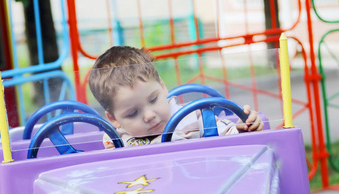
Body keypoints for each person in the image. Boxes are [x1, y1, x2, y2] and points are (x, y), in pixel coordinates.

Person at [88, 46, 264, 149]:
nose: (149, 115)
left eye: (152, 100)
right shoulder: (116, 140)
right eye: (133, 112)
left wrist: (245, 128)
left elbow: (232, 138)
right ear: (113, 119)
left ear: (163, 87)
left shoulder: (193, 117)